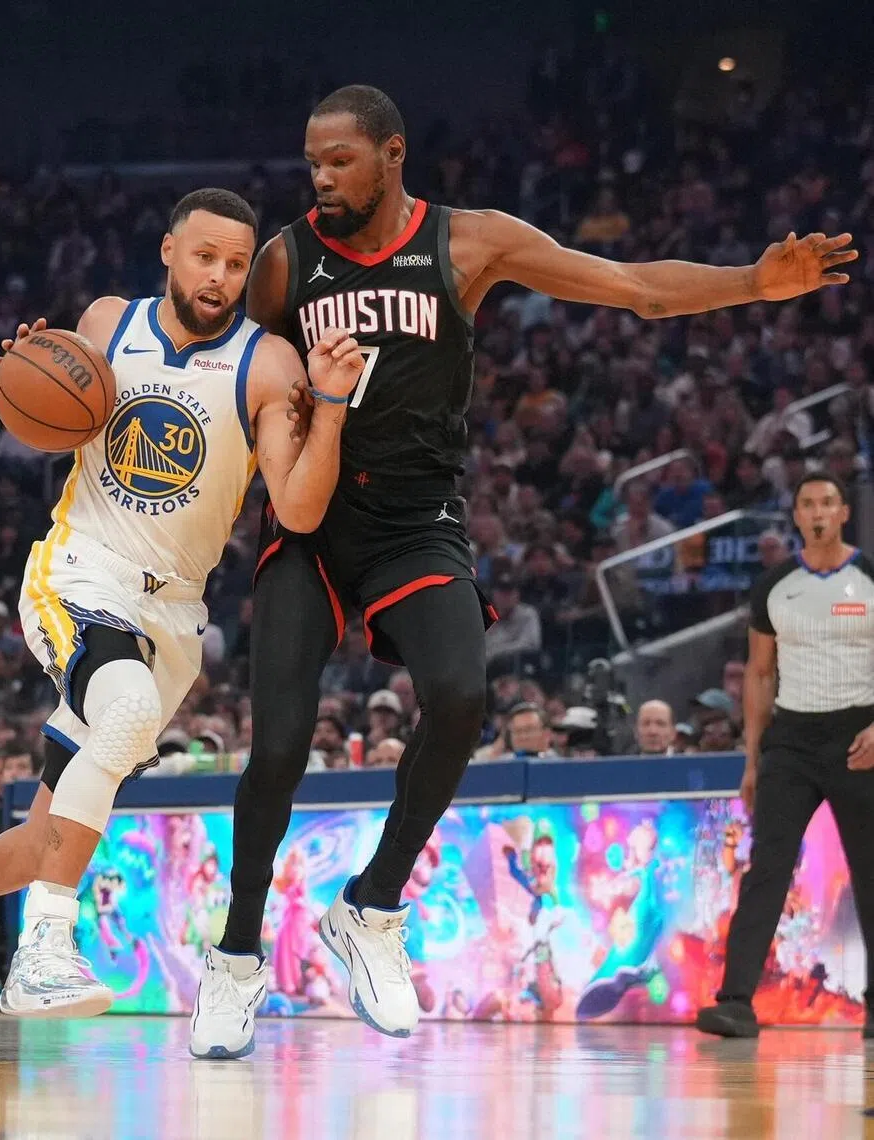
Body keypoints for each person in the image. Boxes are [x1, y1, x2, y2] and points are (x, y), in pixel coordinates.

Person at [196, 83, 858, 1058]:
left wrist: (751, 285)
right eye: (311, 162)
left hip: (416, 515)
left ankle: (373, 907)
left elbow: (630, 286)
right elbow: (214, 371)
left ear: (392, 154)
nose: (321, 177)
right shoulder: (284, 261)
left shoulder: (471, 242)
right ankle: (236, 957)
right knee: (282, 743)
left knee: (462, 695)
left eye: (339, 159)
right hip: (312, 507)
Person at [0, 187, 365, 1022]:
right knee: (123, 717)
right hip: (81, 572)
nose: (220, 276)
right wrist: (25, 371)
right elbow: (54, 403)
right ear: (168, 251)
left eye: (235, 263)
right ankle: (43, 947)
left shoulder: (268, 363)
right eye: (205, 257)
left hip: (174, 615)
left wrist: (328, 405)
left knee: (50, 832)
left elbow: (296, 510)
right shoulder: (110, 322)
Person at [697, 474, 874, 1038]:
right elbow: (759, 672)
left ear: (844, 511)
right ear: (795, 516)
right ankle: (735, 1002)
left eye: (827, 501)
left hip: (858, 735)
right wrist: (752, 758)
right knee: (766, 870)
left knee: (870, 871)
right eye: (807, 504)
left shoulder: (869, 577)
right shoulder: (775, 585)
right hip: (791, 740)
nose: (818, 511)